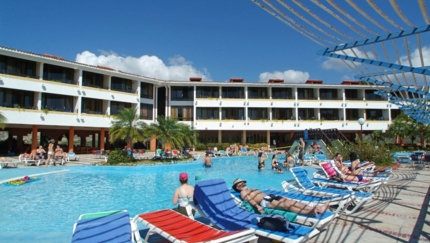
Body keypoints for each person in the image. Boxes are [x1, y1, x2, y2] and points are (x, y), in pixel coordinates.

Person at [232, 178, 330, 217]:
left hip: (270, 196)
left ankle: (318, 209)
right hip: (264, 201)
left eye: (242, 182)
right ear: (237, 188)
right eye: (238, 184)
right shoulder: (243, 192)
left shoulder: (250, 188)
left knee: (291, 201)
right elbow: (249, 200)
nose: (241, 184)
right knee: (287, 205)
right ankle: (308, 213)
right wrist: (257, 207)